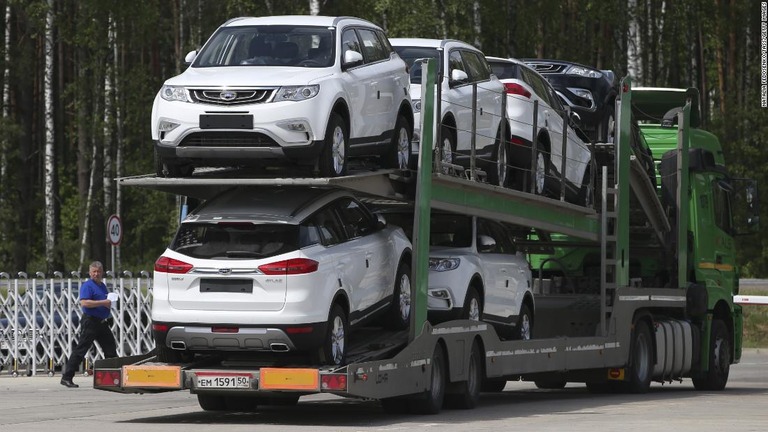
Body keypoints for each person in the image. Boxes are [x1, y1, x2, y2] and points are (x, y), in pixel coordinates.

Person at [60, 261, 118, 388]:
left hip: (102, 322)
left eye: (98, 271)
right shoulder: (88, 286)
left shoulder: (102, 286)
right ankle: (67, 377)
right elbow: (85, 303)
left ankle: (111, 378)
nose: (96, 274)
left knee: (110, 349)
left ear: (102, 272)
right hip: (90, 321)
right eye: (94, 272)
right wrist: (103, 302)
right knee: (81, 349)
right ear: (90, 273)